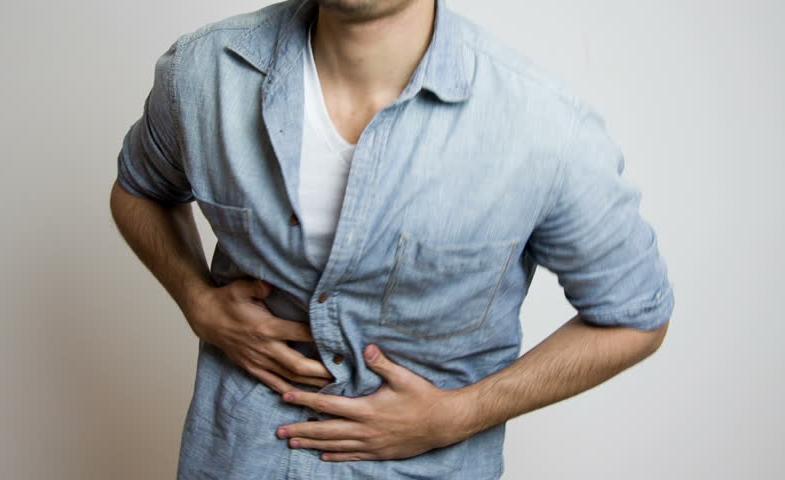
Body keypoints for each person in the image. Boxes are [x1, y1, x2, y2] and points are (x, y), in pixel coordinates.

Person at [109, 0, 675, 478]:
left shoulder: (543, 127)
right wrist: (196, 300)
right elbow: (138, 191)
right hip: (235, 456)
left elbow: (636, 316)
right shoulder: (203, 72)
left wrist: (460, 414)